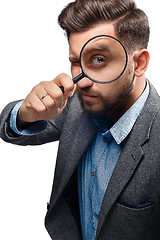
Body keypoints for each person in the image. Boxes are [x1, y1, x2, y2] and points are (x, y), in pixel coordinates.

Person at [0, 0, 160, 239]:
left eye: (98, 59)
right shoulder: (77, 103)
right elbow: (7, 128)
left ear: (139, 63)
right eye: (76, 61)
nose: (81, 80)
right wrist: (26, 113)